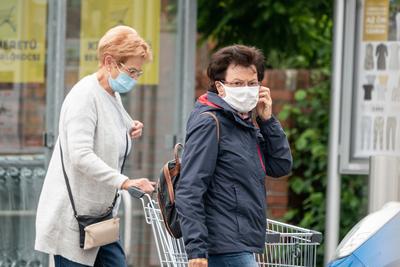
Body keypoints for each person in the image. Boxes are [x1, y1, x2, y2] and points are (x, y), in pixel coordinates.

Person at [35, 26, 156, 267]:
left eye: (138, 73)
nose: (133, 78)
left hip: (101, 220)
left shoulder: (111, 94)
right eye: (131, 71)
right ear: (109, 61)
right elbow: (80, 155)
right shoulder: (84, 95)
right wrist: (125, 182)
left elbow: (106, 127)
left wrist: (129, 127)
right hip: (74, 221)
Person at [175, 45, 292, 267]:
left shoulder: (241, 122)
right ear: (220, 87)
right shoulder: (211, 122)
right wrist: (196, 250)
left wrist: (267, 121)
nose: (246, 89)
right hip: (223, 246)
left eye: (252, 83)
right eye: (237, 83)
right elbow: (190, 188)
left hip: (239, 243)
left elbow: (280, 166)